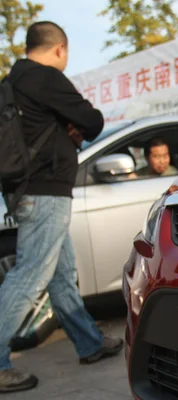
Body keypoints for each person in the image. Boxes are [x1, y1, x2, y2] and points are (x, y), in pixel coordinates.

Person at [0, 21, 123, 393]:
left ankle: (89, 342)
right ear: (59, 50)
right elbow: (93, 120)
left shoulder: (11, 84)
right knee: (30, 276)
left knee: (60, 274)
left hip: (27, 190)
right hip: (46, 193)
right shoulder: (46, 78)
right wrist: (77, 124)